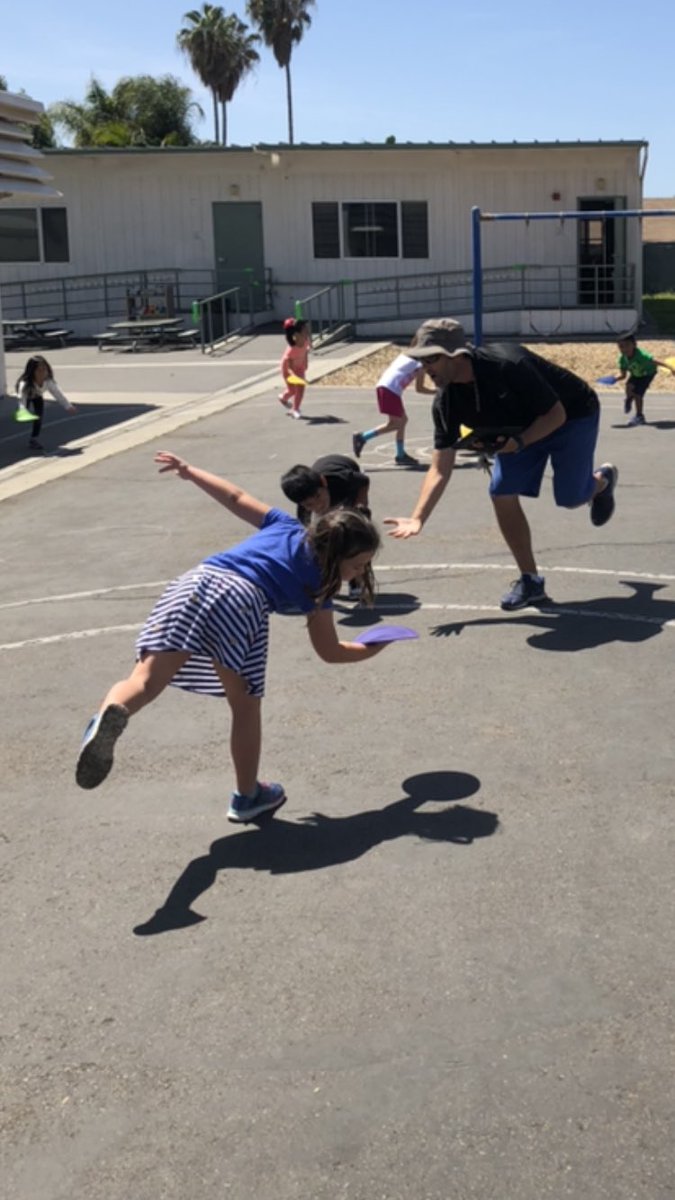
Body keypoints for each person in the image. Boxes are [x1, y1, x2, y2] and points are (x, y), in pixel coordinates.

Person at [75, 452, 388, 822]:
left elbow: (236, 498)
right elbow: (330, 651)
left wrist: (190, 471)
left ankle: (105, 720)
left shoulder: (285, 526)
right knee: (244, 704)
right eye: (357, 565)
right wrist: (372, 647)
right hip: (242, 602)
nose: (359, 572)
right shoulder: (319, 585)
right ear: (334, 554)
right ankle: (247, 795)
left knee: (142, 680)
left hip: (194, 582)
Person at [384, 318, 619, 612]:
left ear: (456, 354)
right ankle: (530, 580)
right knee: (501, 492)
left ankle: (602, 482)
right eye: (420, 360)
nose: (425, 368)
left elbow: (554, 415)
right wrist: (418, 517)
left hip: (570, 415)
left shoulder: (508, 365)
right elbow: (440, 467)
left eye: (431, 358)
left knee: (572, 497)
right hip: (518, 430)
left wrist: (519, 443)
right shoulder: (446, 401)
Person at [281, 454, 372, 600]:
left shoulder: (341, 479)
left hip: (349, 493)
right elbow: (305, 537)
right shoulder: (304, 506)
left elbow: (364, 480)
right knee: (326, 541)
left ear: (323, 482)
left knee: (353, 539)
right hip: (331, 494)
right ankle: (329, 581)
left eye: (318, 497)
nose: (318, 505)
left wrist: (360, 507)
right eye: (309, 505)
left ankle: (357, 582)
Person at [352, 346, 435, 466]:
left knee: (402, 421)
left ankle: (400, 455)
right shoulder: (419, 364)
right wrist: (437, 391)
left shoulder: (407, 357)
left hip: (388, 388)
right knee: (396, 423)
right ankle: (363, 437)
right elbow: (420, 388)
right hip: (390, 390)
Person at [15, 355, 77, 453]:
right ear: (32, 372)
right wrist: (23, 411)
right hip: (28, 394)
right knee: (25, 412)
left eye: (44, 369)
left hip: (37, 395)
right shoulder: (25, 384)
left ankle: (33, 439)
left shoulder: (48, 381)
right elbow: (22, 399)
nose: (43, 373)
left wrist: (68, 406)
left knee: (38, 416)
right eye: (39, 370)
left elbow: (58, 394)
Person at [613, 334, 675, 426]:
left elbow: (655, 361)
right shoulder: (622, 359)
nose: (624, 349)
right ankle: (629, 399)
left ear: (634, 345)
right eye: (621, 347)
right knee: (628, 387)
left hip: (647, 374)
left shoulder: (642, 356)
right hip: (636, 374)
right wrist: (614, 379)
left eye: (627, 346)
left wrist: (670, 367)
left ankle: (639, 416)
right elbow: (623, 375)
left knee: (638, 394)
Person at [278, 317, 310, 419]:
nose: (307, 332)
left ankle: (295, 409)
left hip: (299, 368)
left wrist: (306, 363)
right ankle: (283, 397)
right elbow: (288, 366)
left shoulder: (305, 341)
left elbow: (306, 351)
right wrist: (294, 376)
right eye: (304, 330)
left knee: (300, 388)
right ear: (296, 335)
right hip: (288, 370)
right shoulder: (292, 349)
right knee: (292, 390)